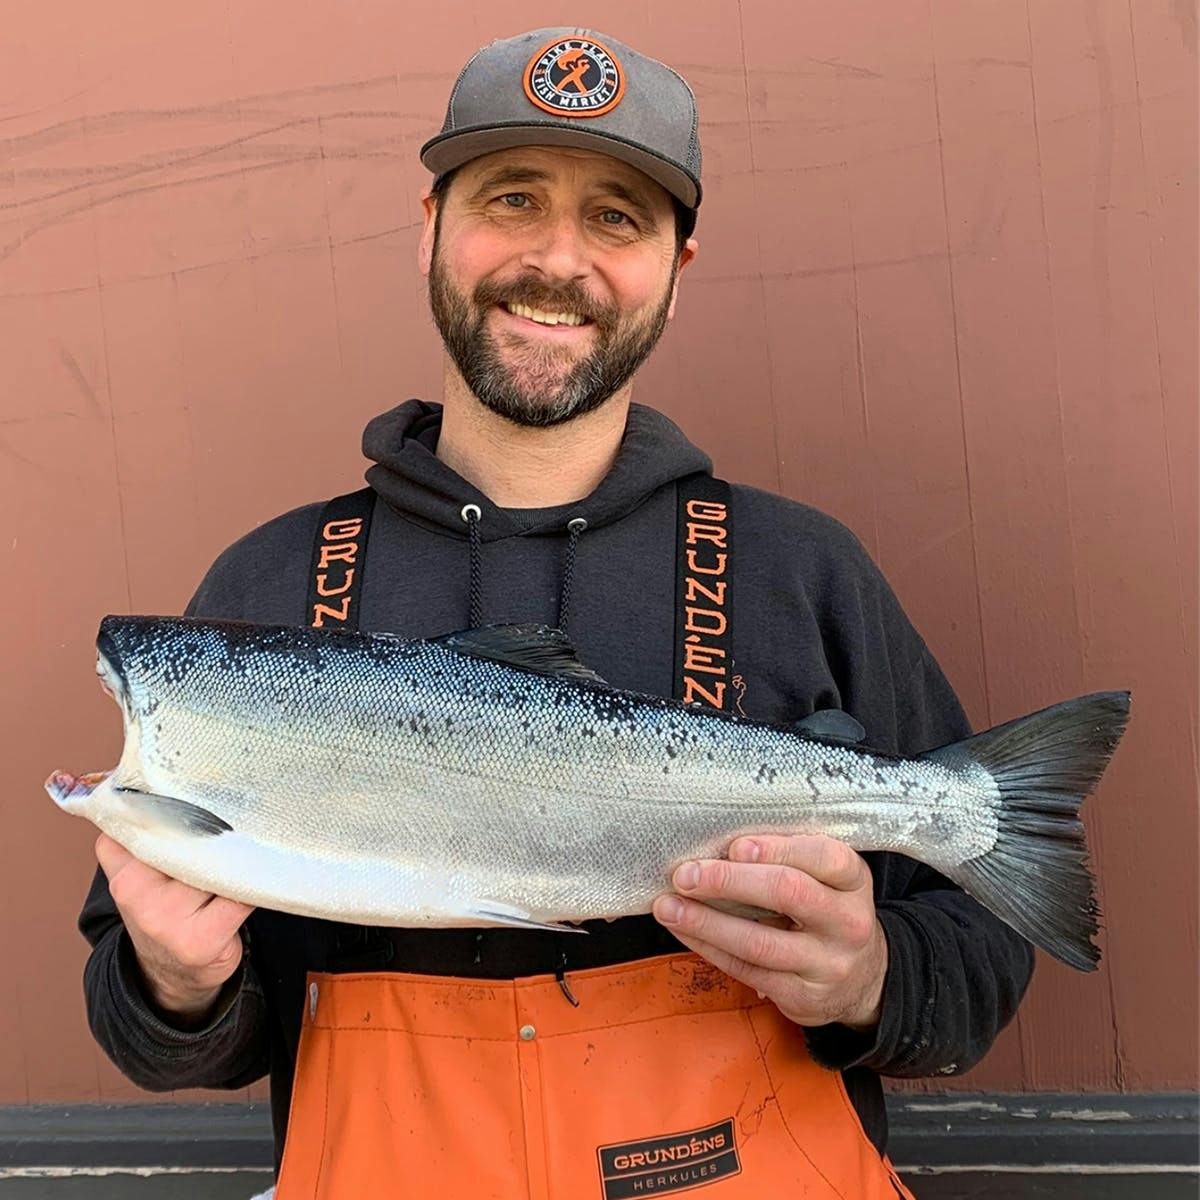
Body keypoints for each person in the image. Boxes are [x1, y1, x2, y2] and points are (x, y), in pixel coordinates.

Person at [78, 26, 1034, 1198]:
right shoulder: (266, 592)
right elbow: (157, 1025)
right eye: (513, 198)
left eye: (618, 217)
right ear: (428, 227)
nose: (556, 260)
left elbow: (981, 953)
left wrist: (870, 981)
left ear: (678, 273)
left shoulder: (803, 570)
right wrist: (178, 986)